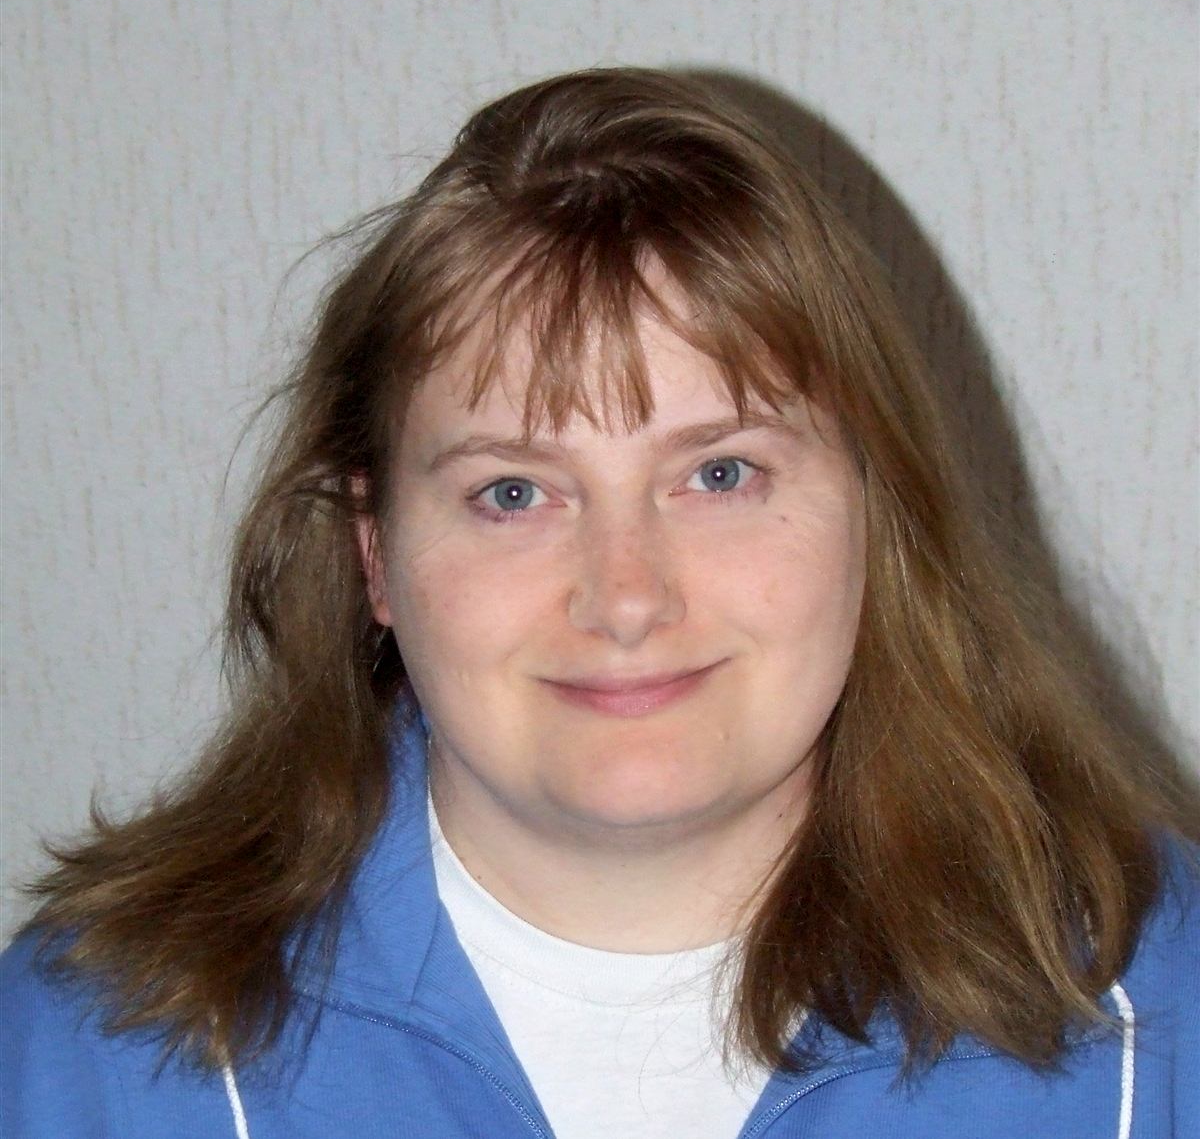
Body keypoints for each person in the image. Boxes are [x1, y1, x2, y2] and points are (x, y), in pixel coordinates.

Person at [1, 67, 1196, 1139]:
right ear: (374, 554)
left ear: (876, 517)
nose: (626, 598)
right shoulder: (91, 1050)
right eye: (514, 492)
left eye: (719, 474)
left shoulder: (1165, 1008)